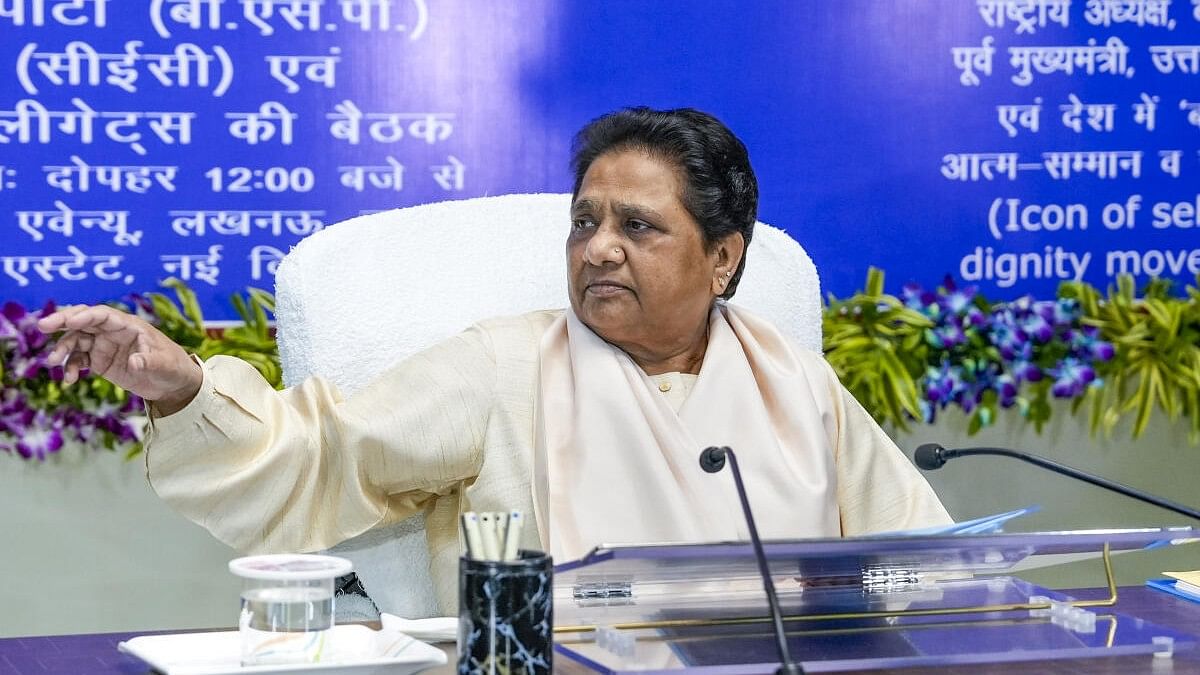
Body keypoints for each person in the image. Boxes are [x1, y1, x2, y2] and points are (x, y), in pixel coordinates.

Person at [36, 107, 951, 615]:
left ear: (722, 256)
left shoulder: (793, 381)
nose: (598, 248)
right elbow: (321, 457)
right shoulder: (504, 369)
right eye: (584, 222)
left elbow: (923, 566)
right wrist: (186, 386)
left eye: (637, 227)